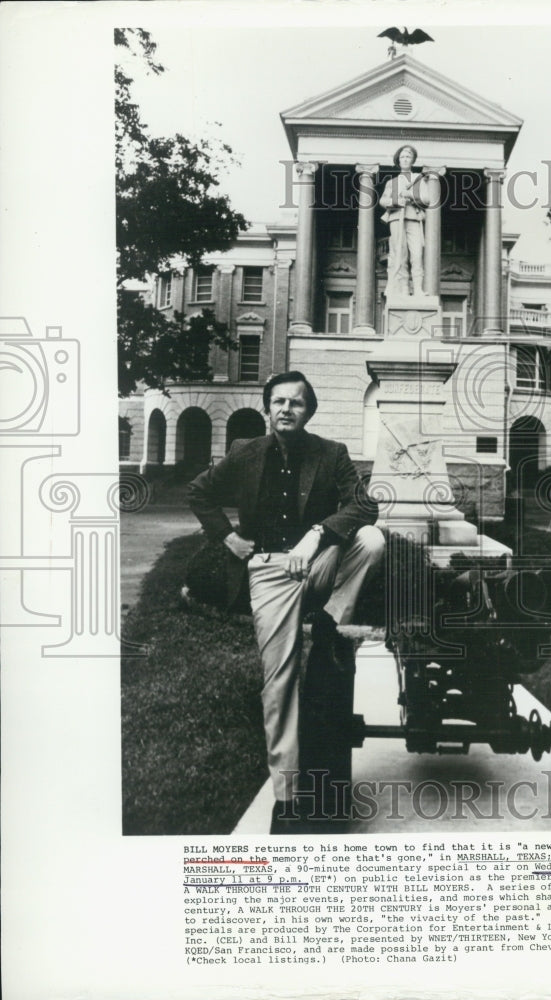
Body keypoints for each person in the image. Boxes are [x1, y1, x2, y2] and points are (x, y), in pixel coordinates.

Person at [188, 371, 385, 833]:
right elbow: (199, 492)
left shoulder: (330, 453)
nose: (285, 410)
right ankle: (288, 797)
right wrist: (229, 537)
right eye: (278, 402)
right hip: (271, 571)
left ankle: (333, 624)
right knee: (279, 681)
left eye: (295, 403)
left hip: (316, 562)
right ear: (267, 408)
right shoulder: (245, 453)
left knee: (372, 540)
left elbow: (365, 505)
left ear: (308, 411)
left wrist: (317, 535)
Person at [380, 144, 426, 297]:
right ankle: (404, 288)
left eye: (408, 157)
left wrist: (411, 196)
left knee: (417, 254)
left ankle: (418, 288)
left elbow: (427, 199)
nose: (405, 160)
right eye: (402, 157)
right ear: (398, 161)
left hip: (413, 218)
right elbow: (383, 201)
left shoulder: (418, 180)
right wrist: (398, 202)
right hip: (396, 218)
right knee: (400, 254)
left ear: (412, 160)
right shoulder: (392, 182)